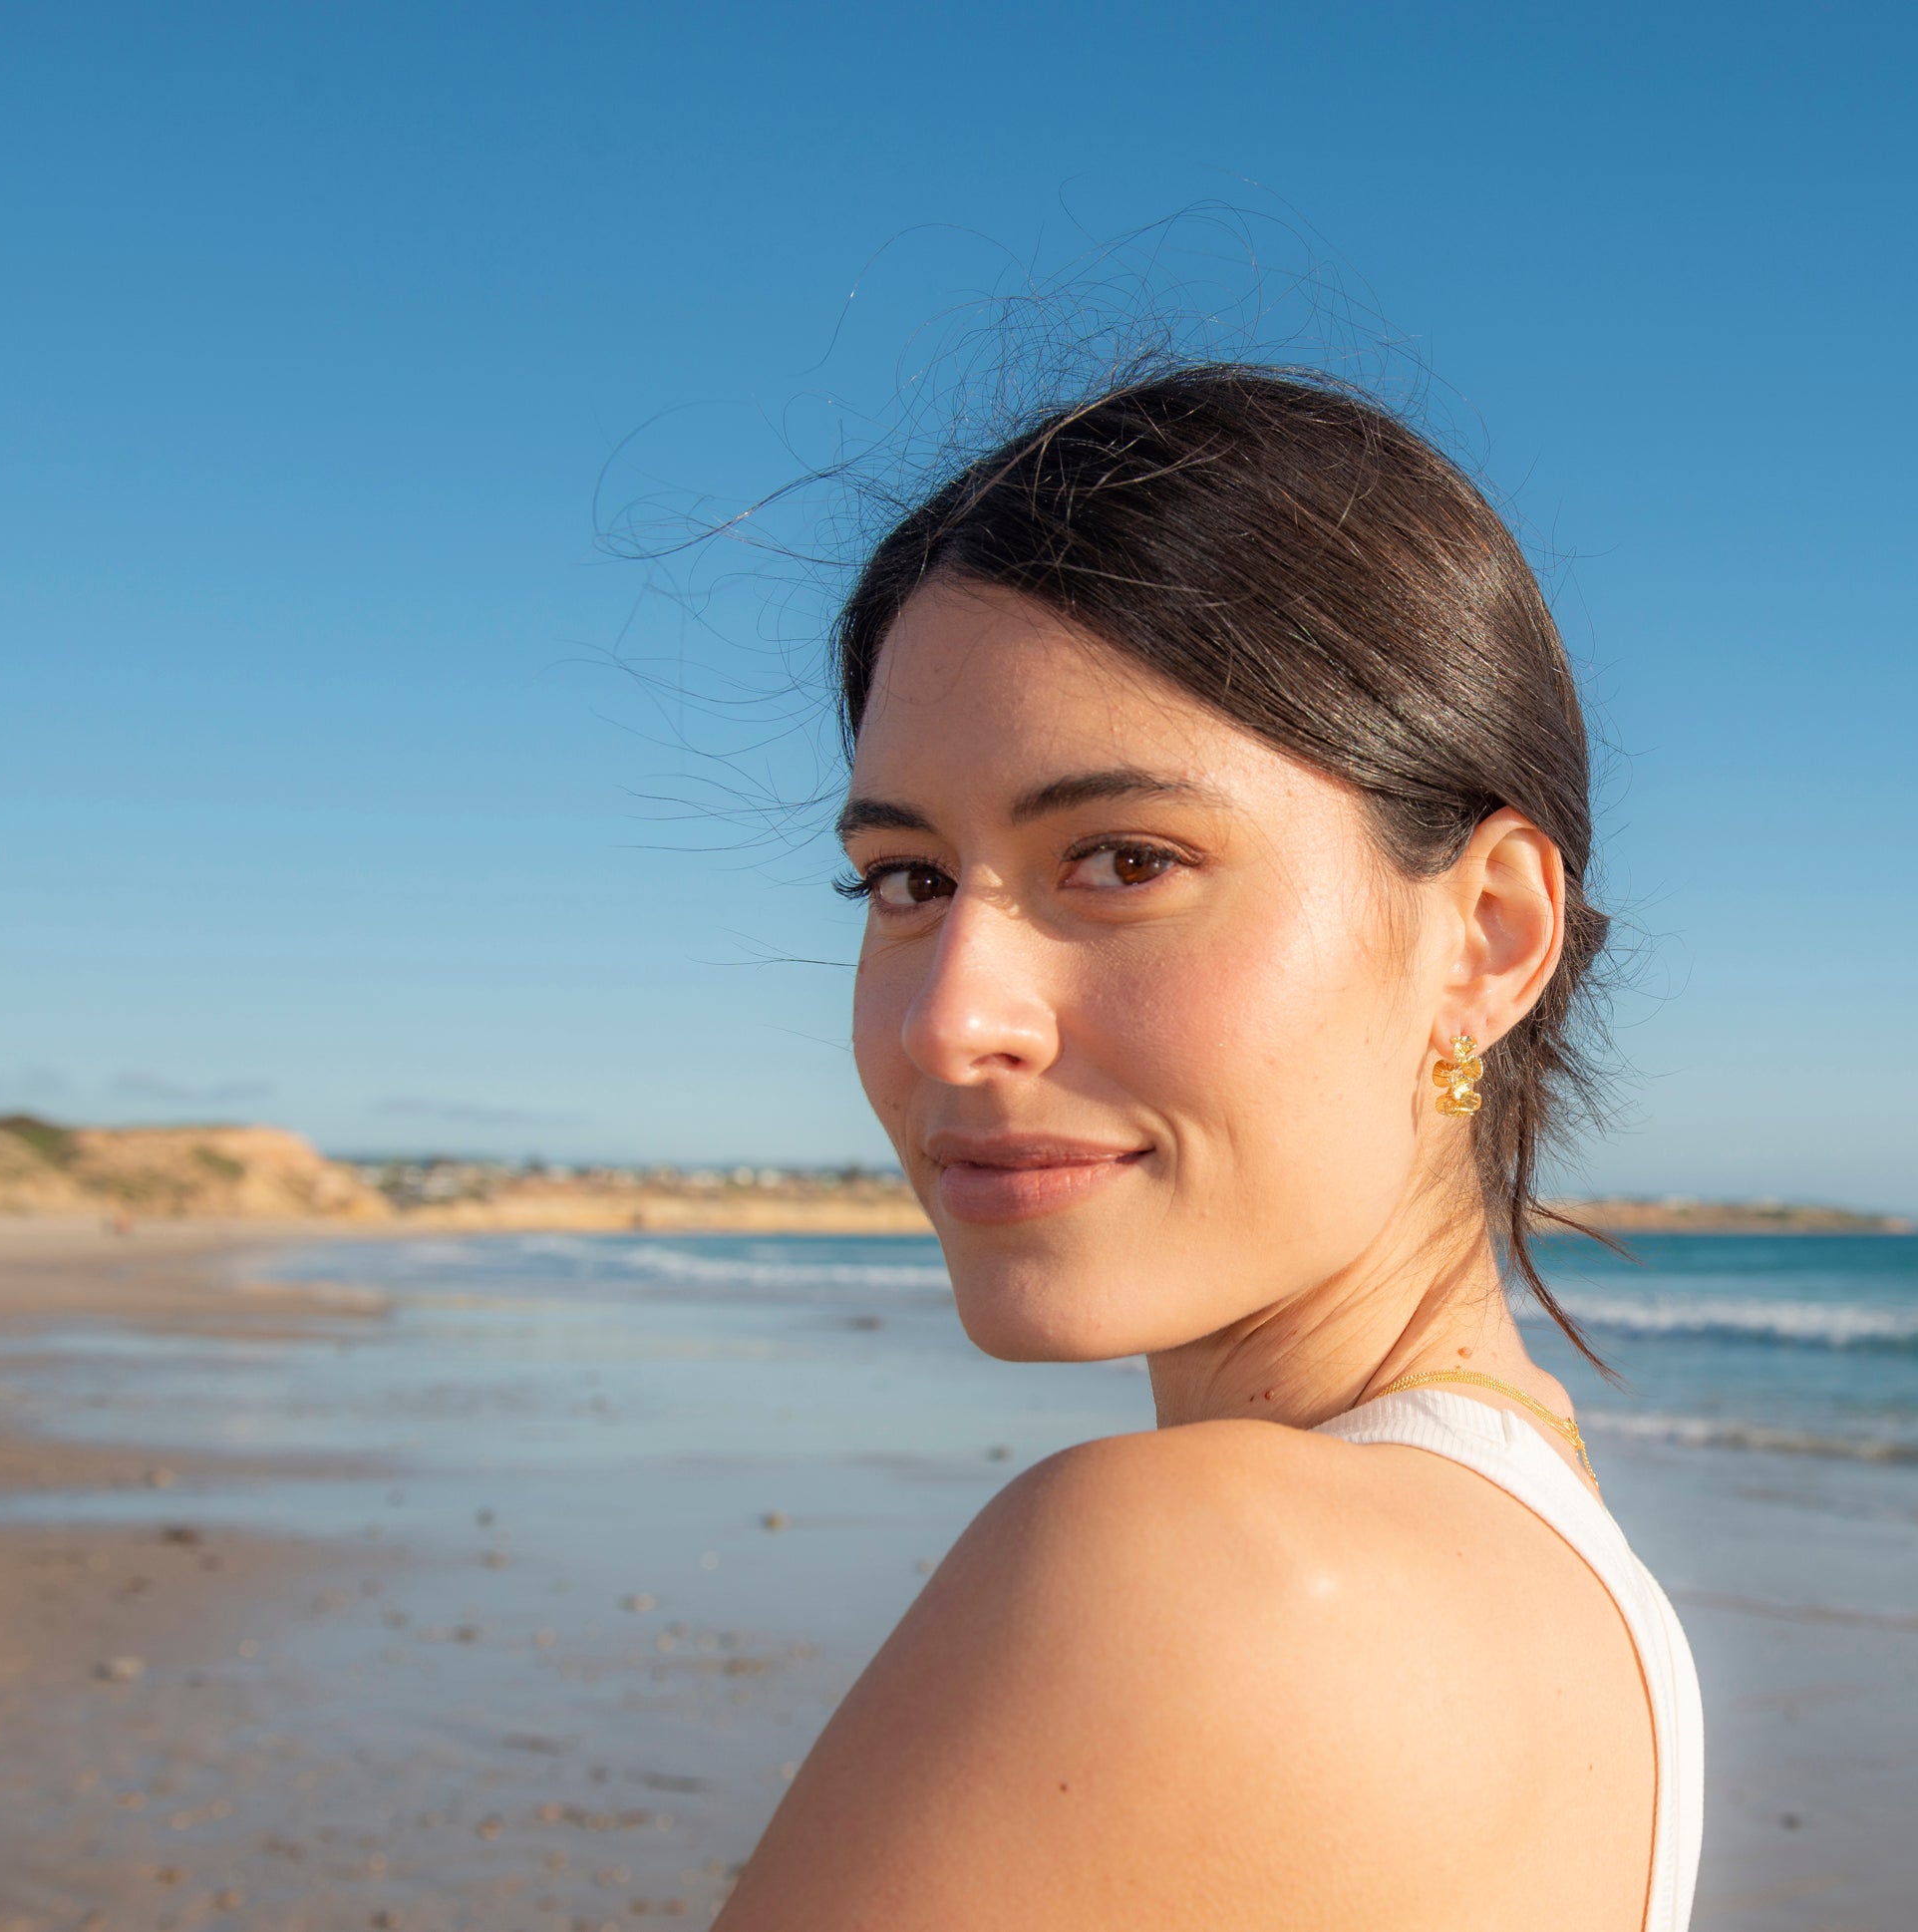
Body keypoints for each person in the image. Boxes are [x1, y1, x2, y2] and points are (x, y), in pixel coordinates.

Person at [715, 365, 1702, 1931]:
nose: (953, 1022)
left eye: (1124, 860)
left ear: (1488, 937)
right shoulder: (1571, 1583)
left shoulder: (1193, 1576)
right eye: (908, 879)